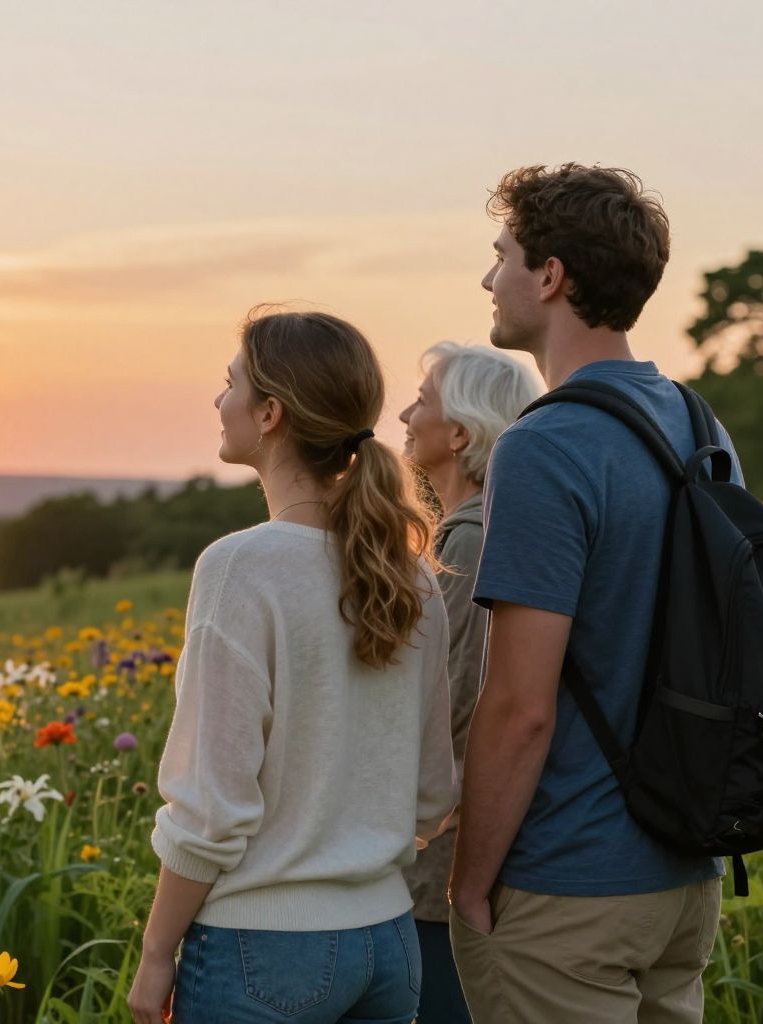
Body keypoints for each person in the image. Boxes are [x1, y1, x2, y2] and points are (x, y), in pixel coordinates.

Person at [449, 164, 735, 1023]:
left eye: (501, 255)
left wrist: (468, 882)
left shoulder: (544, 446)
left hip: (568, 886)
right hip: (685, 875)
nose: (489, 278)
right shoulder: (697, 422)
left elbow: (520, 706)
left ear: (550, 275)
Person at [126, 308, 457, 1024]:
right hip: (389, 945)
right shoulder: (413, 577)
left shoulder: (241, 567)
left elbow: (212, 809)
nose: (219, 402)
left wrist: (156, 954)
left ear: (270, 412)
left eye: (230, 384)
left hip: (264, 953)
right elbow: (435, 793)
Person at [398, 341, 541, 1022]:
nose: (404, 412)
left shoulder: (470, 542)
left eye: (421, 401)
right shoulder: (488, 528)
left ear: (459, 433)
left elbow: (455, 712)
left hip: (448, 867)